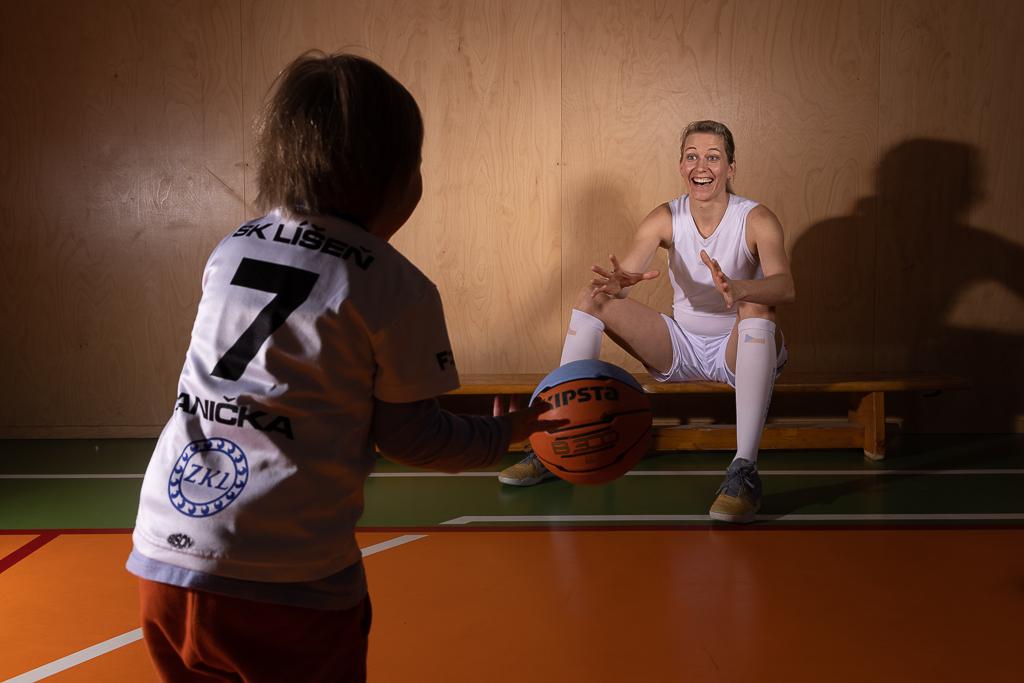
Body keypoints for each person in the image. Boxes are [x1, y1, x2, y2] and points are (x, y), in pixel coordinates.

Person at [126, 51, 561, 682]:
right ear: (395, 179)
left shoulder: (233, 247)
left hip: (164, 549)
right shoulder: (395, 285)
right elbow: (410, 436)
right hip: (287, 574)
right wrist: (508, 433)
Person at [498, 120, 795, 524]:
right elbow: (624, 283)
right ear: (680, 165)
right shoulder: (664, 217)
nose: (701, 165)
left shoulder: (756, 218)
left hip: (738, 343)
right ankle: (553, 442)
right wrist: (620, 284)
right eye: (692, 156)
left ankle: (744, 471)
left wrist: (742, 289)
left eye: (713, 157)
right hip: (683, 345)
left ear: (731, 167)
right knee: (593, 299)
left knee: (759, 311)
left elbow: (784, 287)